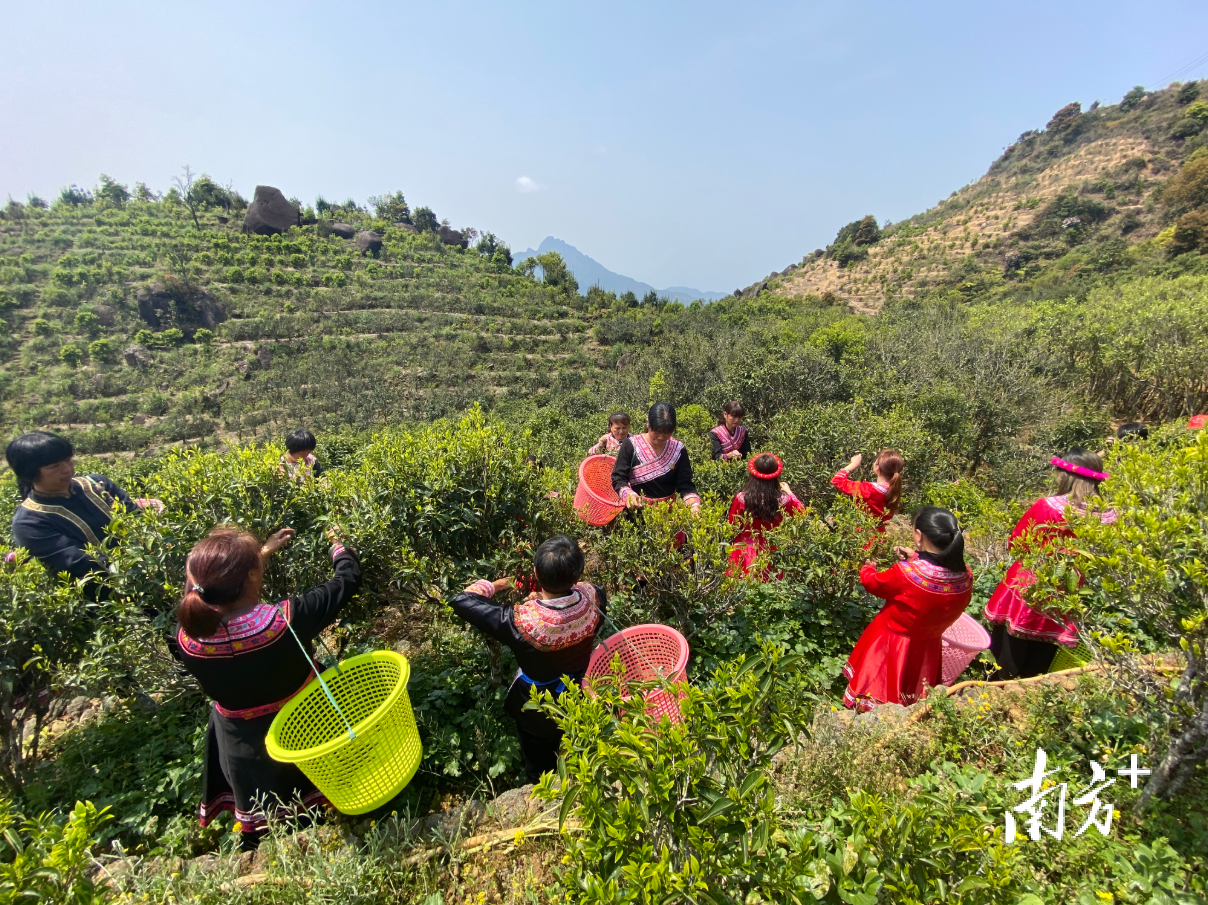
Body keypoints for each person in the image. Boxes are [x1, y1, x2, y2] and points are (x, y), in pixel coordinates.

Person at [171, 525, 361, 849]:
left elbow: (208, 583)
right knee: (316, 787)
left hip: (240, 740)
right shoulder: (284, 620)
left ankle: (265, 844)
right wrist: (338, 544)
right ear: (250, 579)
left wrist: (259, 556)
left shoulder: (187, 637)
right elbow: (346, 581)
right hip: (304, 723)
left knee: (266, 809)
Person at [449, 535, 605, 782]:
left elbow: (462, 600)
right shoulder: (593, 596)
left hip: (536, 705)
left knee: (538, 758)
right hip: (579, 688)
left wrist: (496, 585)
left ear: (535, 571)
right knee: (573, 738)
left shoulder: (522, 621)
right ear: (577, 575)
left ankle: (539, 788)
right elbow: (590, 608)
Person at [983, 449, 1117, 680]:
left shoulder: (1049, 506)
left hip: (1028, 587)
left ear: (1065, 475)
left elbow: (1018, 543)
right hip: (1067, 592)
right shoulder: (1109, 515)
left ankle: (993, 692)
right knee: (1040, 659)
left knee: (1005, 656)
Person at [842, 507, 973, 712]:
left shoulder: (907, 574)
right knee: (916, 695)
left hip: (891, 645)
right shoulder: (965, 576)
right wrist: (915, 556)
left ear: (919, 536)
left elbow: (874, 583)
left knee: (878, 692)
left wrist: (868, 567)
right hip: (928, 646)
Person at [6, 430, 164, 585]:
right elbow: (78, 562)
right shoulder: (29, 522)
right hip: (108, 597)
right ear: (28, 473)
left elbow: (137, 519)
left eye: (68, 460)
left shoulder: (98, 484)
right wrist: (139, 571)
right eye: (54, 466)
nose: (67, 469)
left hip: (153, 572)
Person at [611, 402, 702, 515]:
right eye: (657, 432)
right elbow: (618, 478)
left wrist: (694, 504)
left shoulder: (678, 449)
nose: (661, 437)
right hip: (637, 512)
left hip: (667, 513)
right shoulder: (631, 445)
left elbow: (685, 483)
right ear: (648, 423)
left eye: (667, 433)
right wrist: (629, 494)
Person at [726, 453, 805, 577]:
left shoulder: (742, 498)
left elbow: (732, 525)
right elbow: (802, 514)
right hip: (771, 549)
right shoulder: (784, 500)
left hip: (744, 548)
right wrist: (790, 493)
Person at [830, 448, 903, 532]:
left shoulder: (868, 489)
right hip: (879, 533)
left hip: (864, 533)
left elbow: (837, 480)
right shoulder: (894, 490)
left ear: (877, 468)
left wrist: (853, 464)